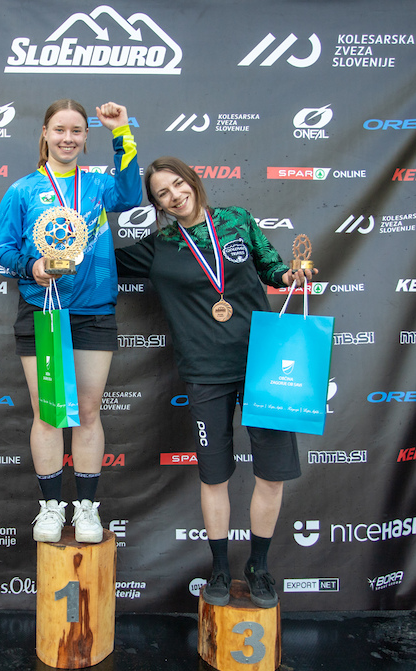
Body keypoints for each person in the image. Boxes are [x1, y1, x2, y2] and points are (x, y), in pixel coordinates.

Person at [115, 157, 316, 608]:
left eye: (177, 184)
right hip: (205, 373)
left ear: (192, 180)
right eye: (162, 193)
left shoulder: (237, 220)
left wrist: (291, 275)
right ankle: (220, 566)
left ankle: (259, 566)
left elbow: (272, 268)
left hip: (263, 364)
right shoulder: (160, 245)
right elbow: (95, 262)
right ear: (157, 205)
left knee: (272, 474)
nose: (174, 195)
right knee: (214, 477)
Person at [0, 99, 141, 543]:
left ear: (85, 137)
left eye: (77, 130)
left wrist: (122, 131)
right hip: (43, 310)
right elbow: (1, 254)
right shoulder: (22, 191)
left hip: (93, 308)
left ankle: (88, 509)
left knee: (88, 413)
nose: (68, 138)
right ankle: (51, 508)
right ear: (44, 133)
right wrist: (32, 267)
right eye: (60, 129)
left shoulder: (97, 184)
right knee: (48, 413)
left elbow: (132, 195)